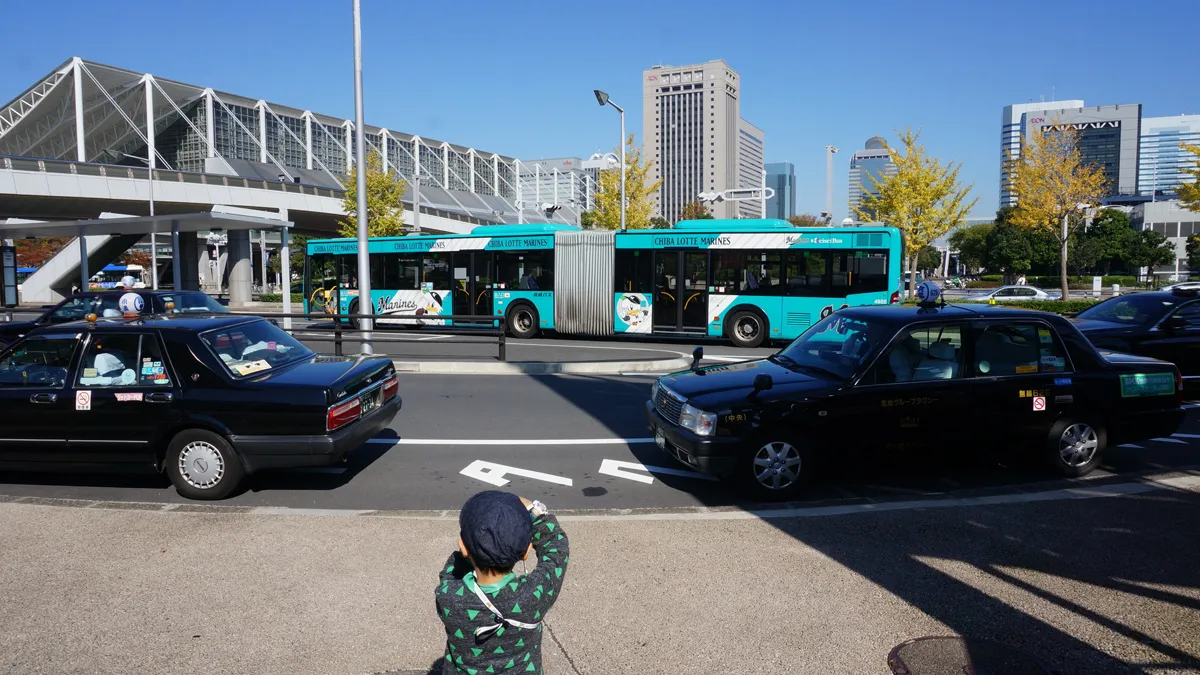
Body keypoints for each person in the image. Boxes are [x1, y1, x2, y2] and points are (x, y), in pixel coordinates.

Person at [436, 491, 569, 675]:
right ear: (526, 553)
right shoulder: (533, 595)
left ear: (463, 547)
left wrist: (471, 548)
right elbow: (556, 551)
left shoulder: (448, 595)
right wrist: (534, 512)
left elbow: (452, 569)